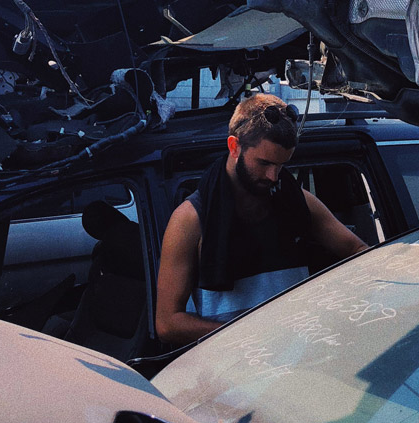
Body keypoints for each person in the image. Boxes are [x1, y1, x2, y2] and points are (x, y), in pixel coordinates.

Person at [155, 93, 368, 346]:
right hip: (231, 360)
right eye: (264, 163)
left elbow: (358, 250)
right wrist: (251, 334)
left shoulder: (298, 202)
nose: (273, 176)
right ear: (234, 146)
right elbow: (167, 323)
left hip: (304, 349)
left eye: (281, 165)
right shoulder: (190, 219)